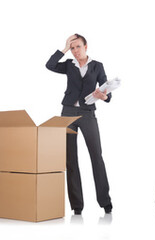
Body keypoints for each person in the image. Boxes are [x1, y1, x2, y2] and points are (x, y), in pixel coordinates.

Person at [45, 34, 113, 215]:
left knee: (96, 156)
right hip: (67, 112)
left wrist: (103, 96)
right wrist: (64, 48)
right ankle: (77, 206)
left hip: (87, 113)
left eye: (78, 47)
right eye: (72, 48)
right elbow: (50, 65)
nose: (75, 51)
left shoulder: (97, 66)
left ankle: (105, 201)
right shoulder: (69, 64)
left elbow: (108, 93)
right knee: (70, 159)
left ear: (86, 46)